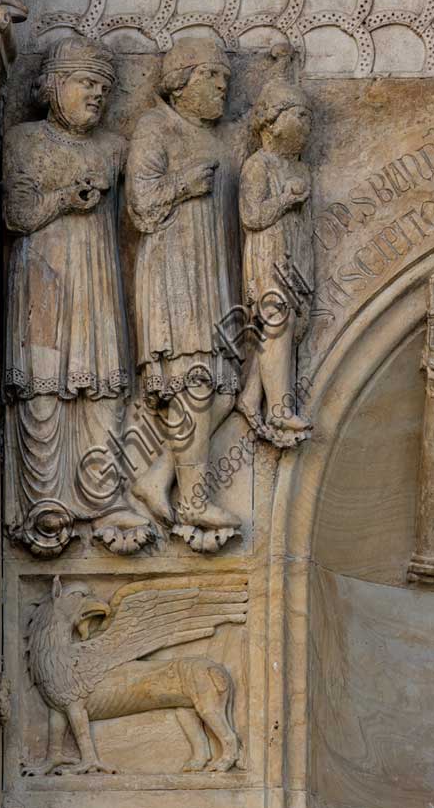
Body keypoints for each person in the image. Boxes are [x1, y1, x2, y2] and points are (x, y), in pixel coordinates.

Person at [3, 35, 151, 556]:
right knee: (43, 384)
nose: (97, 96)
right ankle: (43, 498)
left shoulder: (114, 148)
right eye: (86, 84)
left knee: (103, 385)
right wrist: (68, 197)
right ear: (53, 87)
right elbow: (15, 215)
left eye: (104, 89)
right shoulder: (24, 141)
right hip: (42, 279)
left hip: (99, 280)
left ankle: (104, 494)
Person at [126, 37, 245, 536]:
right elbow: (142, 202)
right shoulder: (156, 127)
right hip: (173, 275)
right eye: (212, 76)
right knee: (196, 386)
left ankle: (157, 478)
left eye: (225, 78)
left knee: (224, 392)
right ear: (181, 82)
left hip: (212, 276)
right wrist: (185, 185)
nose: (222, 86)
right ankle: (194, 500)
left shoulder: (219, 138)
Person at [237, 79, 314, 446]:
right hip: (267, 253)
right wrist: (285, 199)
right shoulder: (258, 165)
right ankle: (280, 409)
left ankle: (252, 395)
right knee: (275, 320)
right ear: (273, 121)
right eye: (299, 115)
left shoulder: (299, 168)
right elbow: (251, 215)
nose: (306, 124)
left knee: (286, 325)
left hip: (293, 256)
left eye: (308, 117)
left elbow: (305, 224)